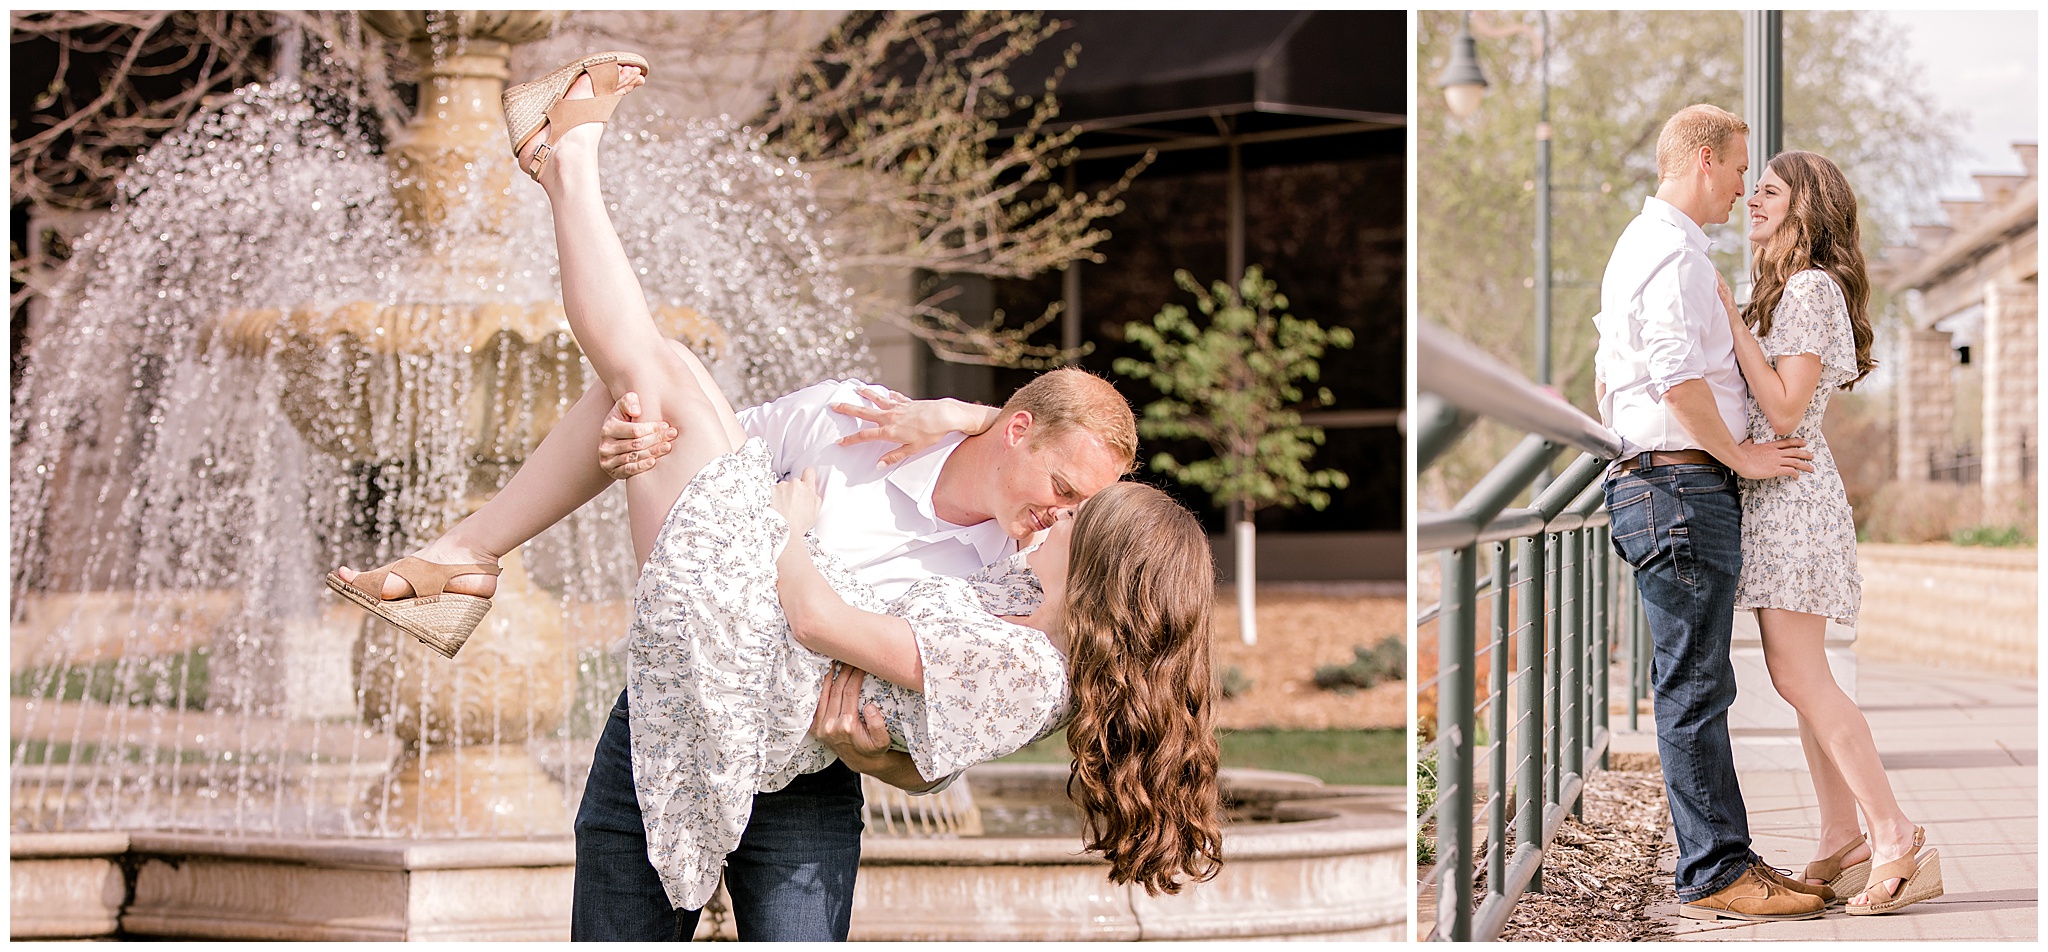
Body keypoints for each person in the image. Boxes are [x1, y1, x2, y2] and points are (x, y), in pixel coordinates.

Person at [326, 52, 1224, 939]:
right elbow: (686, 448)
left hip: (782, 723)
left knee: (657, 367)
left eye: (1080, 513)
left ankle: (565, 176)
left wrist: (788, 532)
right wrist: (639, 446)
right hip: (708, 676)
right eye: (1064, 492)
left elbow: (929, 720)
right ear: (1016, 432)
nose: (1056, 515)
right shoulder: (858, 426)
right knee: (647, 384)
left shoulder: (1018, 581)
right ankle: (473, 546)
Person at [1590, 103, 1822, 922]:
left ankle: (1726, 855)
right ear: (1700, 160)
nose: (1737, 191)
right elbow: (1674, 376)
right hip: (1680, 487)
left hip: (1669, 486)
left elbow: (1625, 374)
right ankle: (1715, 872)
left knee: (1700, 685)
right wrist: (1743, 456)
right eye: (1734, 170)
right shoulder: (1672, 253)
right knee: (1694, 688)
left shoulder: (1654, 248)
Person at [1717, 149, 1938, 915]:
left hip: (1797, 503)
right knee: (1802, 680)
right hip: (1775, 501)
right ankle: (1842, 832)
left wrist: (1729, 320)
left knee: (1801, 677)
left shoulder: (1810, 289)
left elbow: (1783, 410)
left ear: (1804, 207)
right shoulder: (1781, 292)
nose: (1752, 201)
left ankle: (1893, 832)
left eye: (1768, 192)